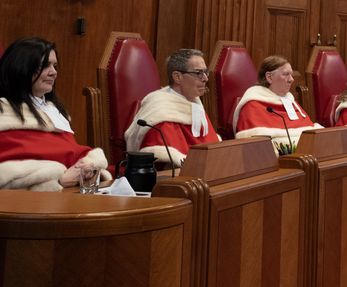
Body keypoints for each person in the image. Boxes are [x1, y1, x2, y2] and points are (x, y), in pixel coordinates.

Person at [0, 37, 109, 190]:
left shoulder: (53, 110)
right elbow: (7, 174)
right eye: (45, 66)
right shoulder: (4, 113)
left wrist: (88, 166)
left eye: (55, 66)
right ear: (21, 68)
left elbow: (71, 152)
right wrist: (58, 180)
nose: (54, 73)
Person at [124, 48, 221, 168]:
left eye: (205, 72)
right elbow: (163, 165)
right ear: (177, 77)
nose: (205, 78)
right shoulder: (160, 112)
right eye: (198, 73)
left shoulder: (194, 102)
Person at [233, 55, 321, 152]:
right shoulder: (252, 104)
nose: (291, 79)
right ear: (269, 77)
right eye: (286, 74)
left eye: (291, 74)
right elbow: (255, 147)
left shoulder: (289, 100)